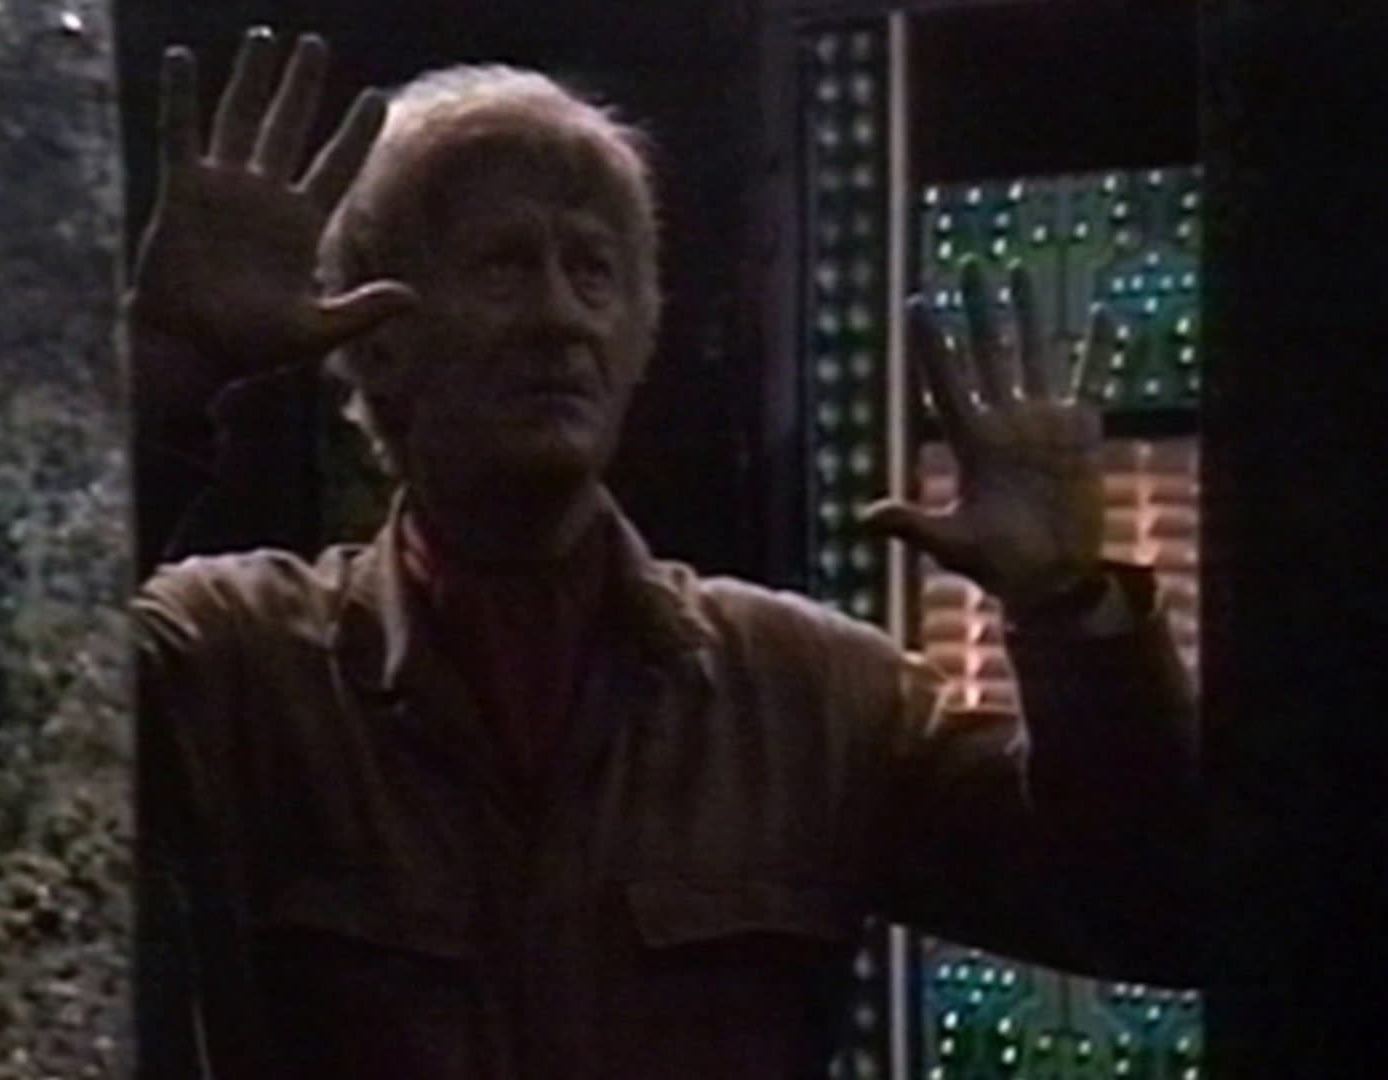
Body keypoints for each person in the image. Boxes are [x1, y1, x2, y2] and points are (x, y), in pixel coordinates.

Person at [130, 27, 1202, 1079]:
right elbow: (27, 726)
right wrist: (166, 373)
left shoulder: (806, 695)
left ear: (640, 336)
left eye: (593, 271)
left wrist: (1071, 609)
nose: (560, 317)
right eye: (504, 265)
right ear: (375, 339)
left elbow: (1155, 911)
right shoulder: (241, 665)